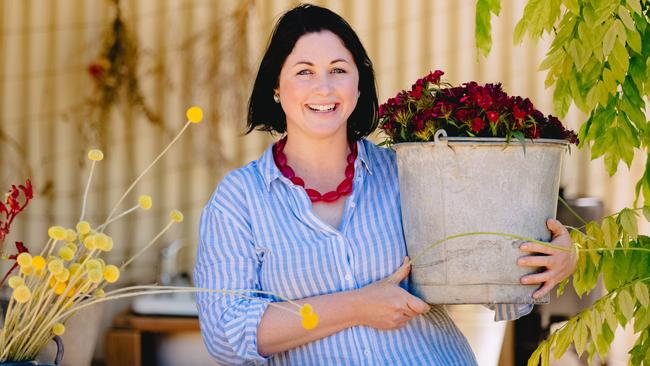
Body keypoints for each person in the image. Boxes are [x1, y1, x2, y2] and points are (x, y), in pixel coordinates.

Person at [194, 4, 576, 365]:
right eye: (304, 71)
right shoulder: (240, 199)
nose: (324, 88)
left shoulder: (407, 173)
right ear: (276, 88)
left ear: (359, 85)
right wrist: (358, 306)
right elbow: (225, 335)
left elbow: (487, 277)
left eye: (339, 70)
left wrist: (548, 262)